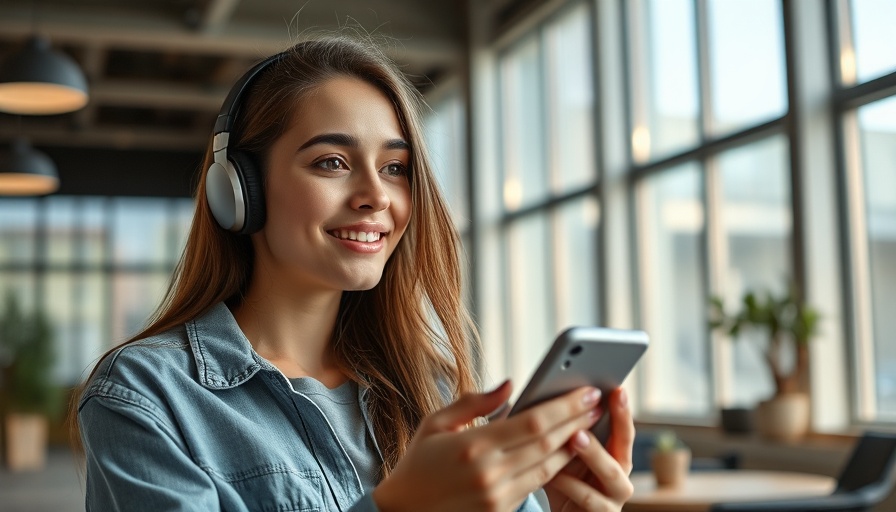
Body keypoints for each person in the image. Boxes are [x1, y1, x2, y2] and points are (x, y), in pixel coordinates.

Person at [75, 33, 635, 511]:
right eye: (332, 163)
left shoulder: (432, 389)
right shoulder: (147, 395)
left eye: (395, 168)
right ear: (238, 190)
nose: (376, 196)